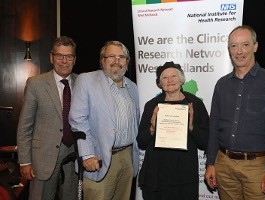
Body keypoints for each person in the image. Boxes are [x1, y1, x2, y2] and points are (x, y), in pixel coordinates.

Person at [204, 25, 265, 200]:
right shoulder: (221, 84)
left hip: (256, 168)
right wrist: (211, 163)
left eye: (245, 45)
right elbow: (213, 127)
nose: (239, 51)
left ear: (255, 46)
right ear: (229, 50)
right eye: (233, 46)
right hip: (223, 165)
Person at [69, 40, 140, 200]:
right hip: (98, 158)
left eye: (121, 57)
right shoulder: (86, 80)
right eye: (111, 56)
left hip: (127, 157)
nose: (116, 61)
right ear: (102, 60)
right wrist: (87, 155)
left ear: (127, 62)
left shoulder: (133, 87)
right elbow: (78, 120)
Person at [17, 36, 78, 200]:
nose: (64, 60)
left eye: (69, 56)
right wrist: (24, 161)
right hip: (42, 159)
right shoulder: (35, 84)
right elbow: (25, 126)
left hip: (74, 158)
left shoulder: (82, 83)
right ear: (52, 57)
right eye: (59, 55)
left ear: (74, 59)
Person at [137, 61, 209, 200]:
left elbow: (205, 141)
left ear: (181, 80)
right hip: (156, 176)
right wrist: (152, 128)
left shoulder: (195, 103)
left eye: (174, 76)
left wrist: (191, 128)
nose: (169, 80)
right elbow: (141, 141)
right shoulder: (152, 105)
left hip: (184, 176)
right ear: (159, 83)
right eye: (164, 77)